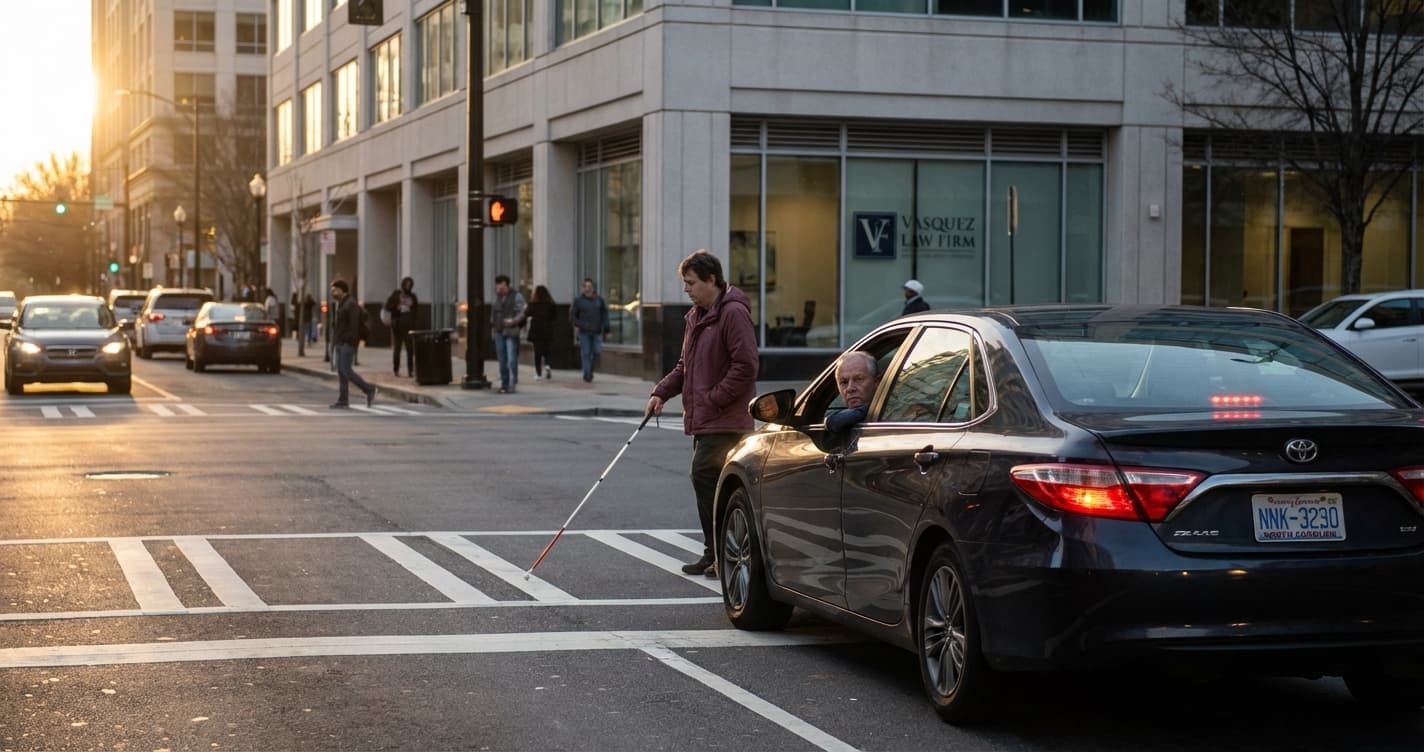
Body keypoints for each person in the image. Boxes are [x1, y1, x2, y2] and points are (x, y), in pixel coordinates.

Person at [646, 250, 758, 578]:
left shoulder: (733, 313)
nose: (687, 289)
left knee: (705, 477)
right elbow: (685, 366)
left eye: (691, 283)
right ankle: (715, 552)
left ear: (712, 280)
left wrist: (713, 398)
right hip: (705, 419)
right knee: (708, 484)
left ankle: (721, 553)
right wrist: (661, 392)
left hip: (726, 420)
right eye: (685, 283)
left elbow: (746, 365)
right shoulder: (696, 316)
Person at [327, 280, 376, 409]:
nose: (332, 293)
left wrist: (348, 340)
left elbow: (354, 327)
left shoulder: (351, 304)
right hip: (340, 342)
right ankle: (343, 400)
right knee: (341, 372)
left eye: (334, 290)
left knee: (346, 370)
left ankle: (369, 389)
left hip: (347, 343)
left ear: (342, 290)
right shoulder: (342, 303)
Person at [490, 274, 527, 394]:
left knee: (511, 358)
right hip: (499, 331)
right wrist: (493, 326)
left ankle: (512, 382)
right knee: (502, 359)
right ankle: (504, 384)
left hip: (511, 331)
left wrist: (514, 321)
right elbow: (493, 313)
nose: (499, 290)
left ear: (507, 285)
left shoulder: (517, 296)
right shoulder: (497, 297)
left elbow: (522, 312)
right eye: (497, 287)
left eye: (501, 287)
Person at [826, 351, 879, 433]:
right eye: (844, 382)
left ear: (876, 382)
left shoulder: (891, 409)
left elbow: (834, 422)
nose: (850, 388)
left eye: (858, 379)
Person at [570, 278, 609, 383]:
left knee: (596, 352)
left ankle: (590, 370)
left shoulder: (599, 300)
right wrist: (580, 324)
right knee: (586, 353)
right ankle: (587, 374)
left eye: (589, 287)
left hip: (596, 331)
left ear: (593, 288)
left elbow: (604, 314)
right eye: (585, 287)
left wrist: (606, 328)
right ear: (582, 288)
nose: (587, 289)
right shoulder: (578, 301)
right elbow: (573, 316)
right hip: (584, 332)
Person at [384, 276, 419, 377]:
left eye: (409, 285)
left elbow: (416, 311)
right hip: (398, 325)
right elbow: (387, 306)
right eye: (406, 285)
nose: (407, 287)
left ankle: (410, 370)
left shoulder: (413, 296)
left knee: (410, 348)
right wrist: (397, 306)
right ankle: (396, 369)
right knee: (397, 348)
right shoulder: (396, 294)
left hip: (409, 325)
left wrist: (414, 322)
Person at [526, 285, 556, 380]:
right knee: (547, 350)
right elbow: (555, 317)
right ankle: (548, 365)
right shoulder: (551, 304)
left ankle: (538, 374)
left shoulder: (533, 304)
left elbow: (527, 313)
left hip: (536, 331)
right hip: (547, 330)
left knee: (537, 352)